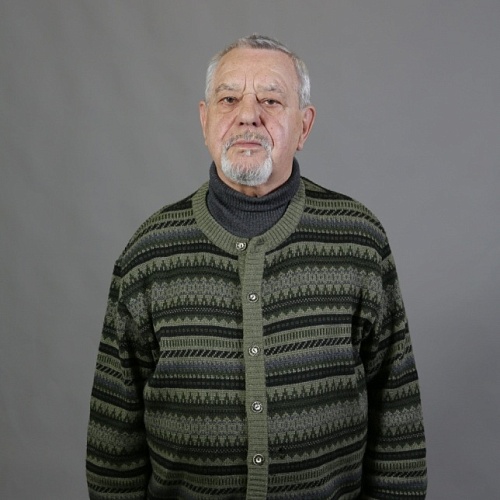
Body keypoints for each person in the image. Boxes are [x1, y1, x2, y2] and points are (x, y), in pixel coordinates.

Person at [86, 34, 427, 499]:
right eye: (229, 99)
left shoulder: (358, 240)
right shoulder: (150, 252)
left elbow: (397, 424)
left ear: (304, 126)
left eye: (271, 99)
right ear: (205, 120)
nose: (248, 114)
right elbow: (113, 444)